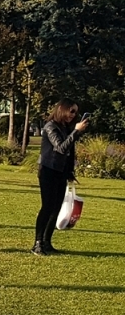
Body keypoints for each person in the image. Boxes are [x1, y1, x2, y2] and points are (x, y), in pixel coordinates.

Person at [33, 99, 89, 256]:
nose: (74, 115)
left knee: (56, 208)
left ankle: (47, 242)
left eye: (76, 112)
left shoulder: (65, 127)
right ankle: (37, 243)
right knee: (47, 207)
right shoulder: (50, 126)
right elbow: (61, 148)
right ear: (62, 110)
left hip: (60, 171)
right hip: (48, 170)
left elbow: (70, 152)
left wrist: (70, 172)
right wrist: (76, 132)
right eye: (71, 111)